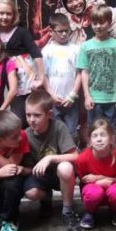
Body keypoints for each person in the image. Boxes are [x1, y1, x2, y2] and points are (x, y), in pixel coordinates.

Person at [22, 89, 81, 231]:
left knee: (65, 168)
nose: (31, 119)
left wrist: (50, 158)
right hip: (40, 175)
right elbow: (28, 168)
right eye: (28, 115)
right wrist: (21, 170)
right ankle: (46, 197)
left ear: (49, 114)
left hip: (59, 175)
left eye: (37, 115)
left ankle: (67, 210)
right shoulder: (25, 135)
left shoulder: (58, 127)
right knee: (31, 193)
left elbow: (75, 156)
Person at [0, 0, 45, 127]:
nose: (5, 17)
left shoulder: (21, 32)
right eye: (1, 13)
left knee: (29, 114)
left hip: (26, 79)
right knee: (16, 114)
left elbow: (36, 54)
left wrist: (41, 78)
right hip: (8, 78)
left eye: (8, 13)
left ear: (14, 15)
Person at [76, 5, 116, 146]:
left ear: (109, 23)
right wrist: (87, 96)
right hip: (94, 99)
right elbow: (84, 72)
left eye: (102, 22)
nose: (98, 26)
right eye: (95, 23)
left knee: (115, 132)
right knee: (94, 132)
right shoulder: (85, 46)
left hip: (113, 99)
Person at [76, 118, 116, 229]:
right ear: (89, 141)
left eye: (103, 135)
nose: (99, 139)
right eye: (95, 136)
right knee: (93, 193)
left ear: (112, 139)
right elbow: (83, 181)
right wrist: (98, 183)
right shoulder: (82, 158)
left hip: (113, 187)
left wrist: (99, 178)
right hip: (93, 190)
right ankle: (90, 212)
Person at [42, 13, 81, 141]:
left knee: (72, 132)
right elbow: (44, 75)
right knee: (54, 131)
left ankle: (73, 151)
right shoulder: (46, 51)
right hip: (53, 99)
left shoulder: (75, 49)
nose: (64, 34)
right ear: (51, 31)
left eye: (67, 31)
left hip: (71, 100)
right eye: (60, 31)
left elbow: (80, 74)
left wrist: (72, 95)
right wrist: (51, 95)